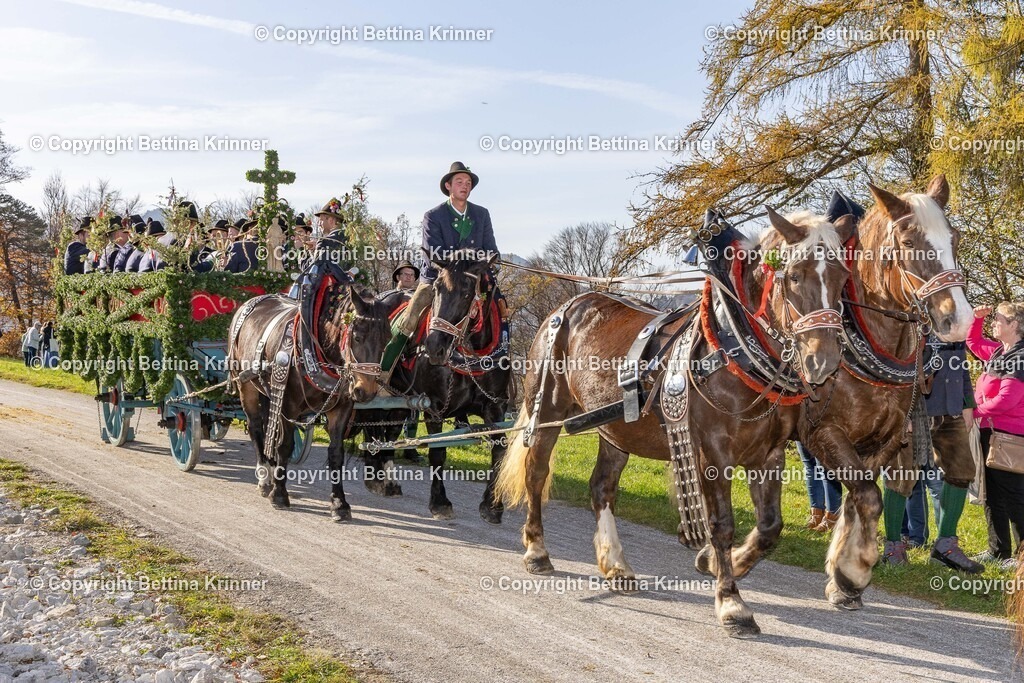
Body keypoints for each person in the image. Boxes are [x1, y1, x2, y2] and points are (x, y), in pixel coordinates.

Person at [380, 162, 499, 375]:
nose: (465, 186)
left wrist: (488, 261)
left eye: (468, 183)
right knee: (410, 318)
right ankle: (384, 373)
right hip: (439, 280)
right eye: (460, 182)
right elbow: (434, 254)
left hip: (474, 281)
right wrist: (464, 261)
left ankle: (502, 366)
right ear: (448, 186)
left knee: (502, 312)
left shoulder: (482, 214)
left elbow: (490, 250)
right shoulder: (433, 216)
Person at [880, 337, 984, 572]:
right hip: (915, 410)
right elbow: (892, 365)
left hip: (951, 409)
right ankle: (893, 545)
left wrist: (968, 402)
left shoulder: (954, 314)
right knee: (901, 476)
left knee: (962, 471)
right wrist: (900, 410)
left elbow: (961, 364)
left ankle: (945, 546)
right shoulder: (912, 312)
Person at [968, 302, 1024, 569]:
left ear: (1014, 325)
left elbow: (1007, 400)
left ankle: (1022, 556)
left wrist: (975, 412)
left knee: (1014, 496)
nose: (994, 322)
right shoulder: (1000, 351)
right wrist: (977, 319)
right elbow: (974, 342)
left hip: (1009, 435)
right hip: (990, 433)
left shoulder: (1020, 357)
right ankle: (999, 550)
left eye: (998, 319)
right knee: (992, 494)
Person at [797, 442, 842, 531]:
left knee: (826, 468)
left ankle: (832, 519)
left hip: (821, 429)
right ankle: (817, 515)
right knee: (809, 465)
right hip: (800, 429)